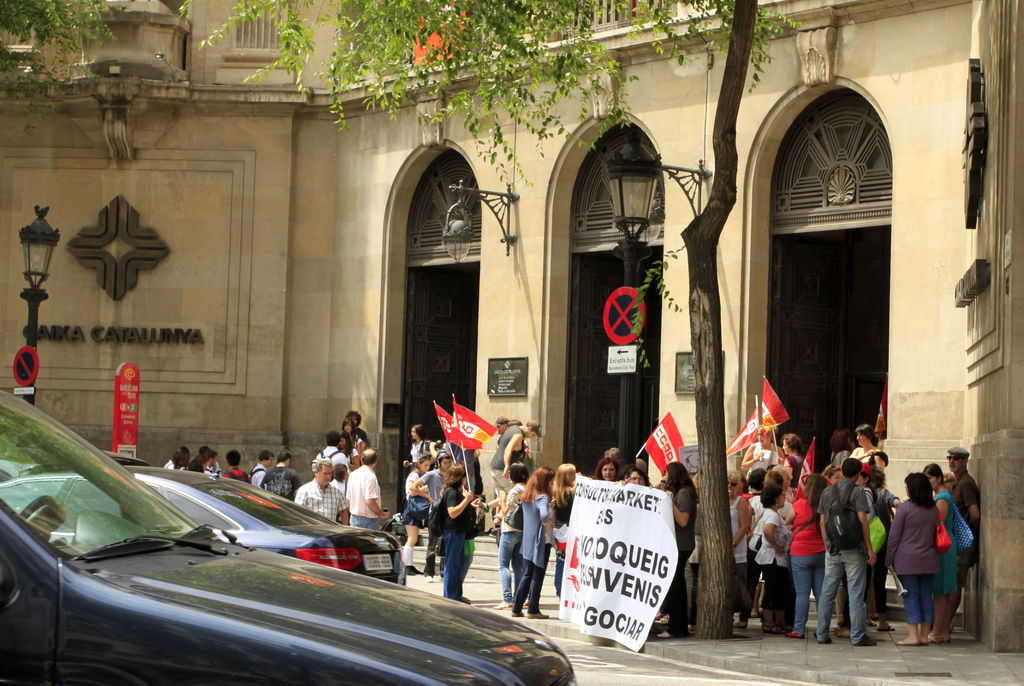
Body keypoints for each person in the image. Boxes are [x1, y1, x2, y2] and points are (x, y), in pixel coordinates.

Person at [814, 457, 877, 647]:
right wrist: (869, 548)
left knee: (828, 591)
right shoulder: (858, 492)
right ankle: (857, 636)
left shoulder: (827, 491)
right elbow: (862, 520)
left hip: (833, 549)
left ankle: (822, 633)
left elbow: (823, 521)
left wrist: (827, 544)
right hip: (854, 549)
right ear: (858, 474)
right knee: (856, 592)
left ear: (841, 470)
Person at [886, 472, 941, 646]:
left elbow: (894, 537)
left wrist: (889, 559)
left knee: (911, 596)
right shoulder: (934, 509)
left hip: (907, 561)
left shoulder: (904, 509)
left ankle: (912, 635)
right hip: (930, 559)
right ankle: (925, 635)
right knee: (926, 596)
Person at [512, 465, 554, 619]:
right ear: (545, 480)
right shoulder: (542, 496)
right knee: (538, 574)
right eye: (550, 480)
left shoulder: (527, 496)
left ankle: (517, 607)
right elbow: (543, 515)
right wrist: (546, 520)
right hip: (540, 540)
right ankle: (533, 609)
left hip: (528, 540)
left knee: (528, 573)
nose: (552, 483)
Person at [789, 473, 827, 639]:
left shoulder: (799, 504)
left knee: (802, 593)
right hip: (822, 552)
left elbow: (787, 521)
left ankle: (799, 629)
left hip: (800, 553)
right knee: (821, 593)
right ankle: (822, 630)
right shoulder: (826, 505)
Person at [661, 461, 697, 637]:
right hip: (679, 545)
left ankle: (677, 627)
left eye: (666, 473)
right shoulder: (682, 492)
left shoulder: (683, 494)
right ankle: (678, 625)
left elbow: (683, 520)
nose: (664, 477)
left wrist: (670, 501)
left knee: (676, 586)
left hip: (681, 546)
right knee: (677, 585)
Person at [923, 462, 957, 643]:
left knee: (940, 591)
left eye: (929, 478)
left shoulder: (942, 497)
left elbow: (938, 522)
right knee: (940, 591)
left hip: (943, 546)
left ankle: (939, 630)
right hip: (943, 545)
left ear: (938, 478)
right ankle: (942, 630)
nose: (927, 482)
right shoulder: (940, 496)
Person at [755, 483, 793, 634]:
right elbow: (767, 530)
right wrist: (776, 546)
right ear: (776, 499)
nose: (784, 498)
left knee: (779, 590)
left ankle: (779, 621)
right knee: (773, 590)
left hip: (777, 559)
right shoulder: (772, 515)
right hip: (773, 558)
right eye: (782, 495)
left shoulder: (774, 514)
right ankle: (769, 623)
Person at [440, 463, 480, 602]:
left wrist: (469, 503)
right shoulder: (450, 492)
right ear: (459, 477)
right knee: (452, 564)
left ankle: (456, 593)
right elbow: (452, 512)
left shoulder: (458, 492)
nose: (465, 479)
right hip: (453, 532)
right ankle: (450, 596)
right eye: (464, 476)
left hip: (460, 532)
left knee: (458, 564)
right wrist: (466, 501)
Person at [947, 446, 979, 622]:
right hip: (956, 543)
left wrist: (967, 534)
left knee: (955, 585)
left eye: (956, 458)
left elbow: (975, 514)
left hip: (962, 542)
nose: (952, 461)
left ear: (965, 461)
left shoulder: (966, 483)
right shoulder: (958, 482)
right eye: (950, 457)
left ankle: (946, 625)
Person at [494, 463, 529, 610]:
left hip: (509, 531)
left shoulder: (514, 491)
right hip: (522, 531)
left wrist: (502, 497)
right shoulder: (527, 488)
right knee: (518, 566)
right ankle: (518, 598)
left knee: (503, 565)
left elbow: (504, 511)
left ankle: (507, 598)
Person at [417, 452, 452, 582]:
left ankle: (443, 572)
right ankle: (428, 572)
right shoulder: (431, 475)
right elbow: (414, 487)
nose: (447, 465)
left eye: (449, 463)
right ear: (439, 462)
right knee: (432, 543)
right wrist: (429, 498)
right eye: (445, 463)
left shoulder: (451, 476)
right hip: (435, 513)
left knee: (444, 543)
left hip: (448, 513)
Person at [867, 464, 893, 632]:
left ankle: (862, 618)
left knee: (862, 582)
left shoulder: (862, 494)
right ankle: (882, 621)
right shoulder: (883, 494)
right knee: (879, 583)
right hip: (882, 544)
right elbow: (895, 501)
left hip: (865, 543)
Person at [401, 454, 434, 575]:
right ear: (419, 464)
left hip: (414, 509)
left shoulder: (419, 475)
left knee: (413, 538)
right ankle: (405, 565)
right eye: (425, 465)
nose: (427, 468)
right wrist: (426, 493)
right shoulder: (414, 475)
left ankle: (409, 564)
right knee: (412, 538)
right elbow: (412, 490)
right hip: (411, 508)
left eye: (428, 466)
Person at [728, 470, 753, 629]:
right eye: (727, 483)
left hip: (738, 549)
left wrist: (733, 545)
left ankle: (744, 616)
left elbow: (744, 526)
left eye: (733, 483)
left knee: (740, 582)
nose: (730, 486)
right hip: (724, 548)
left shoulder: (741, 502)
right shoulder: (720, 500)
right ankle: (728, 615)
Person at [295, 456, 349, 523]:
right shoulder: (304, 491)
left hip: (331, 532)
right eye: (325, 473)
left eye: (330, 473)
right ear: (316, 472)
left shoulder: (336, 492)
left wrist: (344, 528)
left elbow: (344, 511)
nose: (328, 476)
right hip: (312, 532)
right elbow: (297, 514)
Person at [551, 463, 576, 598]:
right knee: (564, 561)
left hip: (557, 529)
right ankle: (561, 589)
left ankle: (559, 587)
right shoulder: (571, 492)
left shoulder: (555, 491)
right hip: (565, 531)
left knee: (560, 559)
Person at [347, 449, 387, 529]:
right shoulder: (371, 477)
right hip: (368, 521)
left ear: (361, 460)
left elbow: (348, 499)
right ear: (376, 461)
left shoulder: (352, 475)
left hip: (353, 518)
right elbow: (370, 500)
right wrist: (381, 514)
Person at [488, 417, 517, 498]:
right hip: (501, 468)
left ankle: (487, 507)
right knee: (511, 494)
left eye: (498, 427)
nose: (497, 430)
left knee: (501, 496)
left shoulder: (507, 436)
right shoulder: (508, 436)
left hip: (497, 468)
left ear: (505, 425)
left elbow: (498, 448)